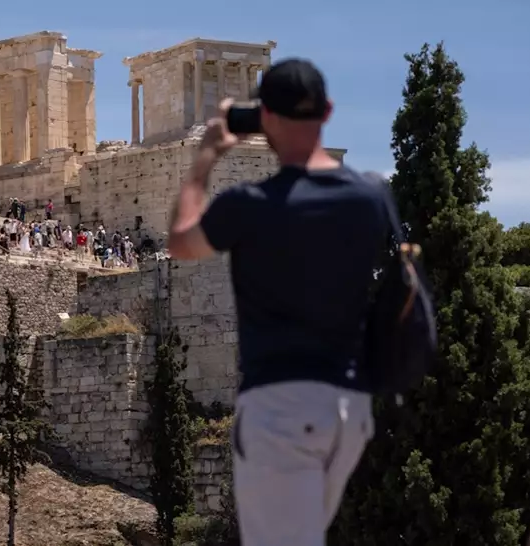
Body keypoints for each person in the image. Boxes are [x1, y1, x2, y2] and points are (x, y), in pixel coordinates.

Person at [164, 59, 386, 546]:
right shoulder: (372, 198)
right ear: (327, 111)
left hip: (284, 406)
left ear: (264, 118)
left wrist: (205, 158)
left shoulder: (250, 206)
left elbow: (180, 241)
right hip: (351, 408)